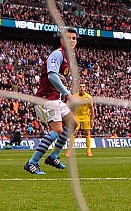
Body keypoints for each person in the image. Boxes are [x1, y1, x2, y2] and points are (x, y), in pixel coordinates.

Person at [25, 28, 80, 175]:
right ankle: (32, 163)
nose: (72, 41)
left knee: (73, 123)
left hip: (55, 98)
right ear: (62, 40)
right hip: (46, 99)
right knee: (57, 130)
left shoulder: (68, 57)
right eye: (69, 38)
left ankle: (53, 156)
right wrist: (67, 93)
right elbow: (52, 76)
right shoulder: (57, 54)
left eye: (74, 38)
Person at [66, 84, 95, 157]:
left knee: (87, 134)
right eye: (80, 87)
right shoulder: (75, 97)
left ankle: (89, 151)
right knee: (74, 134)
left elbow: (91, 109)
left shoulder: (89, 97)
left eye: (83, 87)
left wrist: (92, 120)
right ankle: (69, 151)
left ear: (85, 88)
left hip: (85, 117)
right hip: (76, 117)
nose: (82, 88)